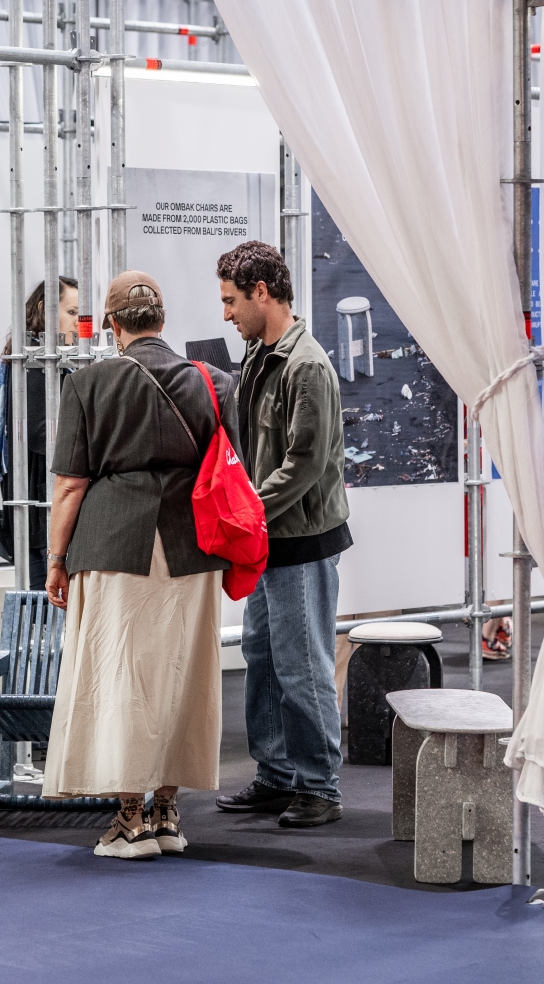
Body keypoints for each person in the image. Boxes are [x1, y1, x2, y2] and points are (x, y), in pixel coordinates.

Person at [42, 270, 239, 859]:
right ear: (162, 320)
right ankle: (168, 814)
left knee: (121, 674)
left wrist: (56, 560)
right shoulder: (213, 381)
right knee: (185, 672)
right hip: (192, 544)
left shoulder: (87, 383)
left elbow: (70, 485)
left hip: (112, 543)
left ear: (111, 323)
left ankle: (130, 819)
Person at [215, 241, 350, 828]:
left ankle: (319, 786)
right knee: (263, 658)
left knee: (303, 666)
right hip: (269, 538)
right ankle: (276, 775)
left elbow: (305, 463)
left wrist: (246, 510)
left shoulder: (306, 365)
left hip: (300, 541)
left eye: (231, 301)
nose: (226, 313)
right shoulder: (258, 356)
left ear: (262, 292)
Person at [0, 277, 78, 589]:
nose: (79, 324)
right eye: (72, 312)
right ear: (44, 310)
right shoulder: (34, 364)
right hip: (40, 513)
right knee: (49, 611)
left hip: (42, 511)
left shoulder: (50, 363)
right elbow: (40, 435)